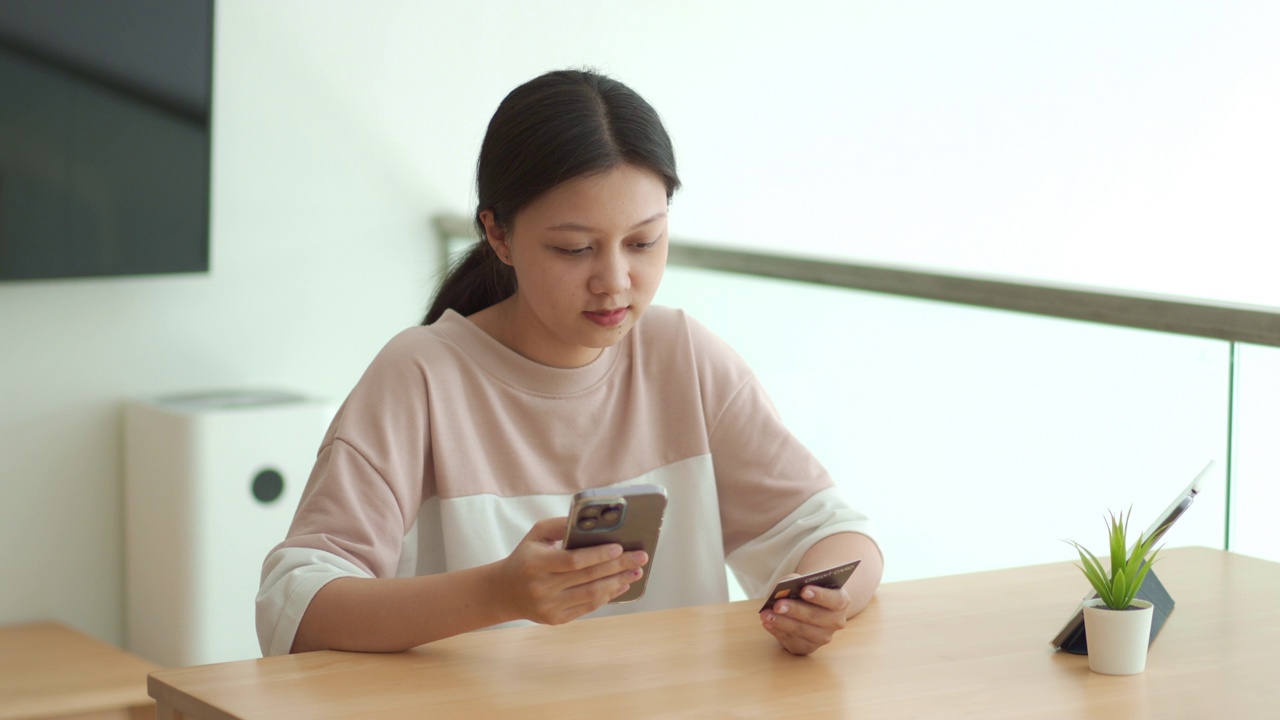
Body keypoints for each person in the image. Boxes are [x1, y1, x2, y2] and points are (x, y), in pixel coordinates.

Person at [256, 68, 883, 658]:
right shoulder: (420, 376)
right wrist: (497, 594)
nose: (615, 281)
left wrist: (826, 602)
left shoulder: (683, 356)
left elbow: (834, 533)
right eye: (575, 248)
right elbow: (294, 608)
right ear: (498, 234)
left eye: (644, 242)